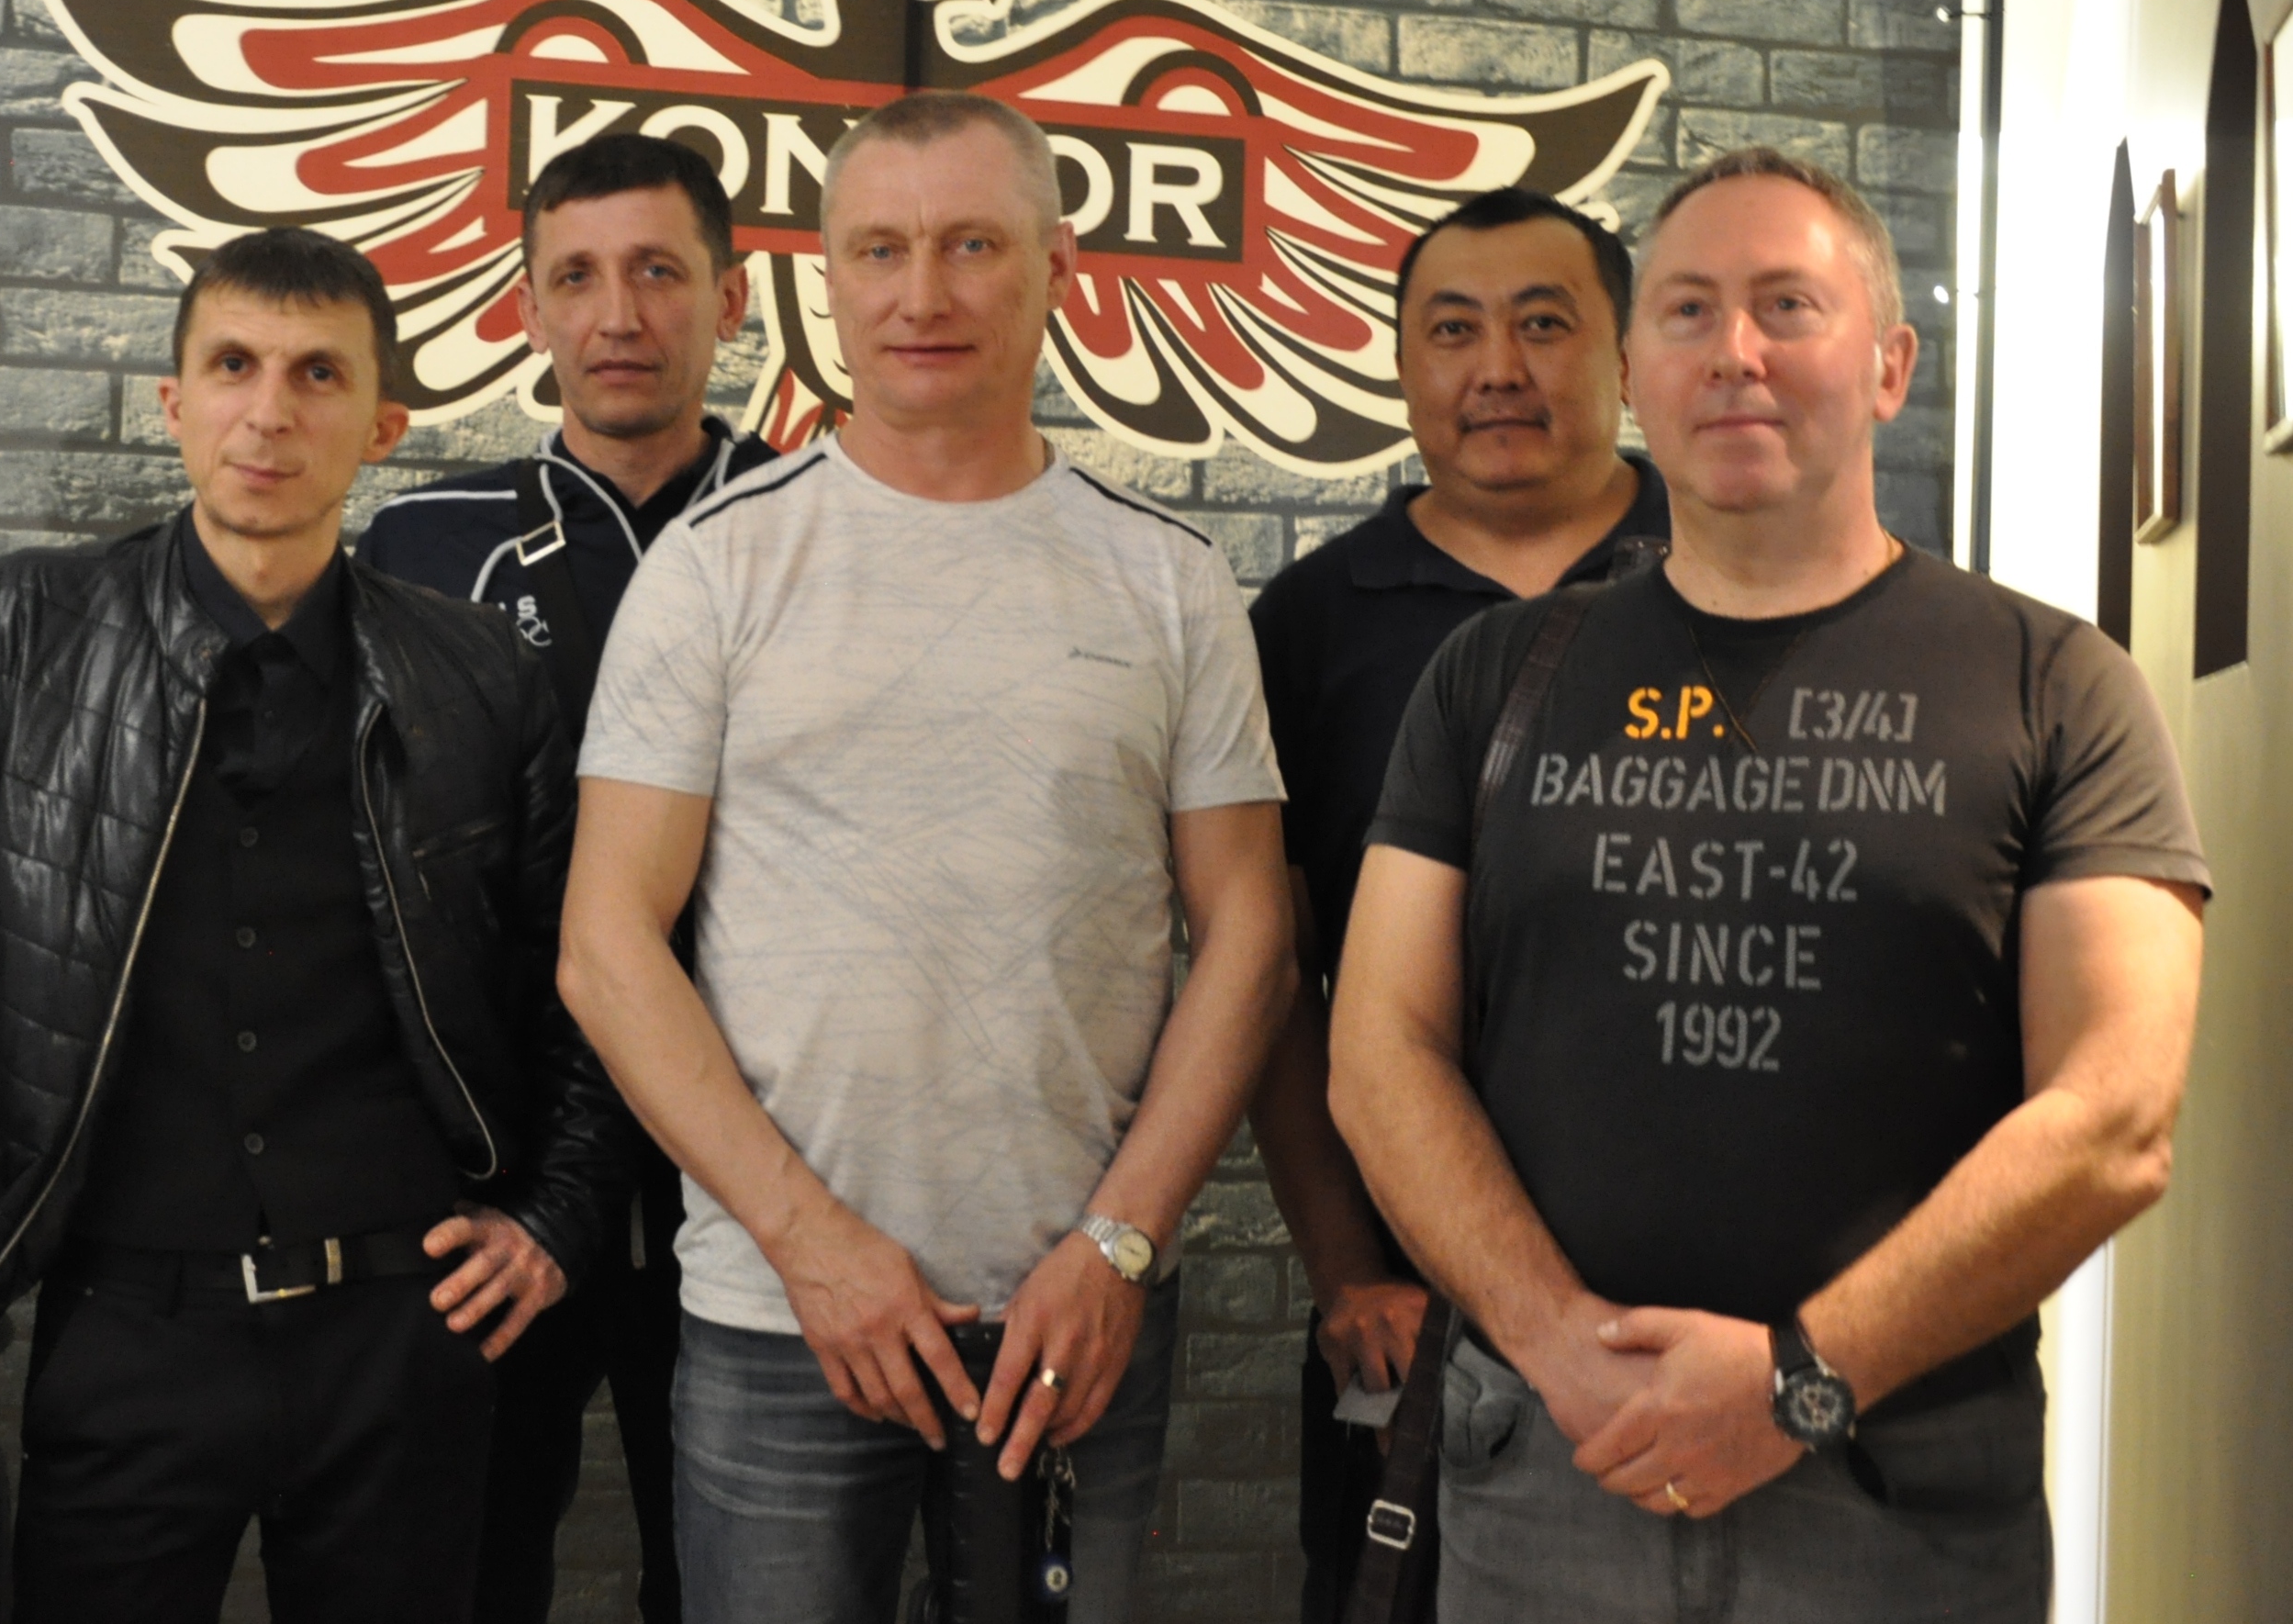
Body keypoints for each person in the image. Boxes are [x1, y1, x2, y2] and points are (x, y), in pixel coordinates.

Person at [1331, 147, 2209, 1622]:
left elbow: (2115, 1117)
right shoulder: (1494, 676)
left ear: (1890, 365)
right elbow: (1379, 1051)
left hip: (1899, 1497)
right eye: (1688, 310)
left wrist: (1802, 1379)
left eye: (1788, 305)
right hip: (1551, 1473)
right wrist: (1558, 1350)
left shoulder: (2055, 683)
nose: (1734, 351)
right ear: (1634, 373)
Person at [0, 228, 630, 1624]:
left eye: (318, 374)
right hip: (124, 1331)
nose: (269, 412)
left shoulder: (481, 677)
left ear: (383, 424)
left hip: (403, 1336)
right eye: (234, 366)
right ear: (175, 403)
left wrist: (556, 1218)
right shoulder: (10, 638)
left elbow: (586, 981)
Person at [556, 90, 1296, 1624]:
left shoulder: (1170, 581)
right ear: (825, 278)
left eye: (973, 244)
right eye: (879, 250)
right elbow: (606, 948)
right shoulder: (715, 568)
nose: (923, 293)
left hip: (1076, 1315)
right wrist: (812, 1244)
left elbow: (1250, 940)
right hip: (780, 1312)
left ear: (1058, 266)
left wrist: (1119, 1246)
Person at [356, 131, 780, 1624]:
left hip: (762, 1177)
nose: (619, 316)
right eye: (579, 278)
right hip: (500, 1192)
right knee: (471, 1576)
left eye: (660, 272)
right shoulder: (422, 546)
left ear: (731, 299)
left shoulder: (819, 525)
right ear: (529, 307)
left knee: (735, 1591)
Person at [1245, 186, 1669, 1619]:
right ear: (1402, 362)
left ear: (1626, 357)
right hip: (1414, 1325)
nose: (1498, 369)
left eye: (1544, 325)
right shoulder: (1307, 628)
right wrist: (1344, 1271)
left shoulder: (1739, 577)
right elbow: (1274, 984)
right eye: (1452, 331)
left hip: (1696, 1312)